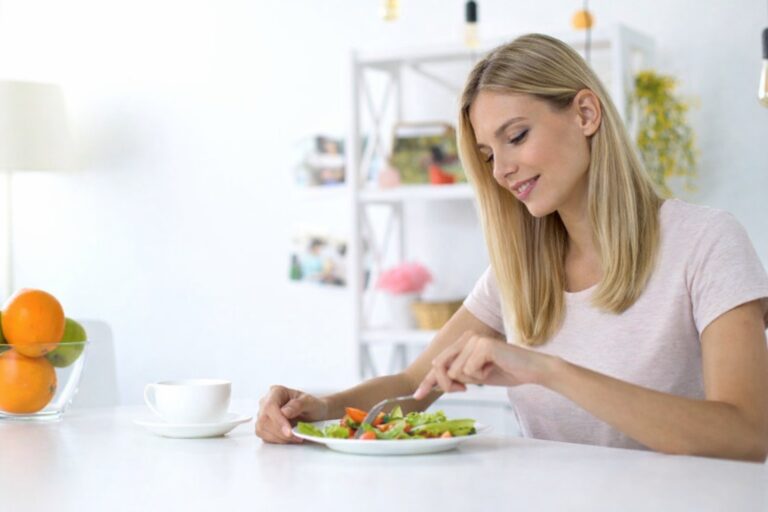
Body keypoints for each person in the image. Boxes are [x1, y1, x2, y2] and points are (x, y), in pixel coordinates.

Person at [256, 34, 768, 461]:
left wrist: (547, 370)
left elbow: (747, 435)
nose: (500, 171)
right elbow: (415, 384)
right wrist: (318, 408)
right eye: (487, 154)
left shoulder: (705, 243)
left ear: (586, 113)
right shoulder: (519, 271)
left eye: (516, 136)